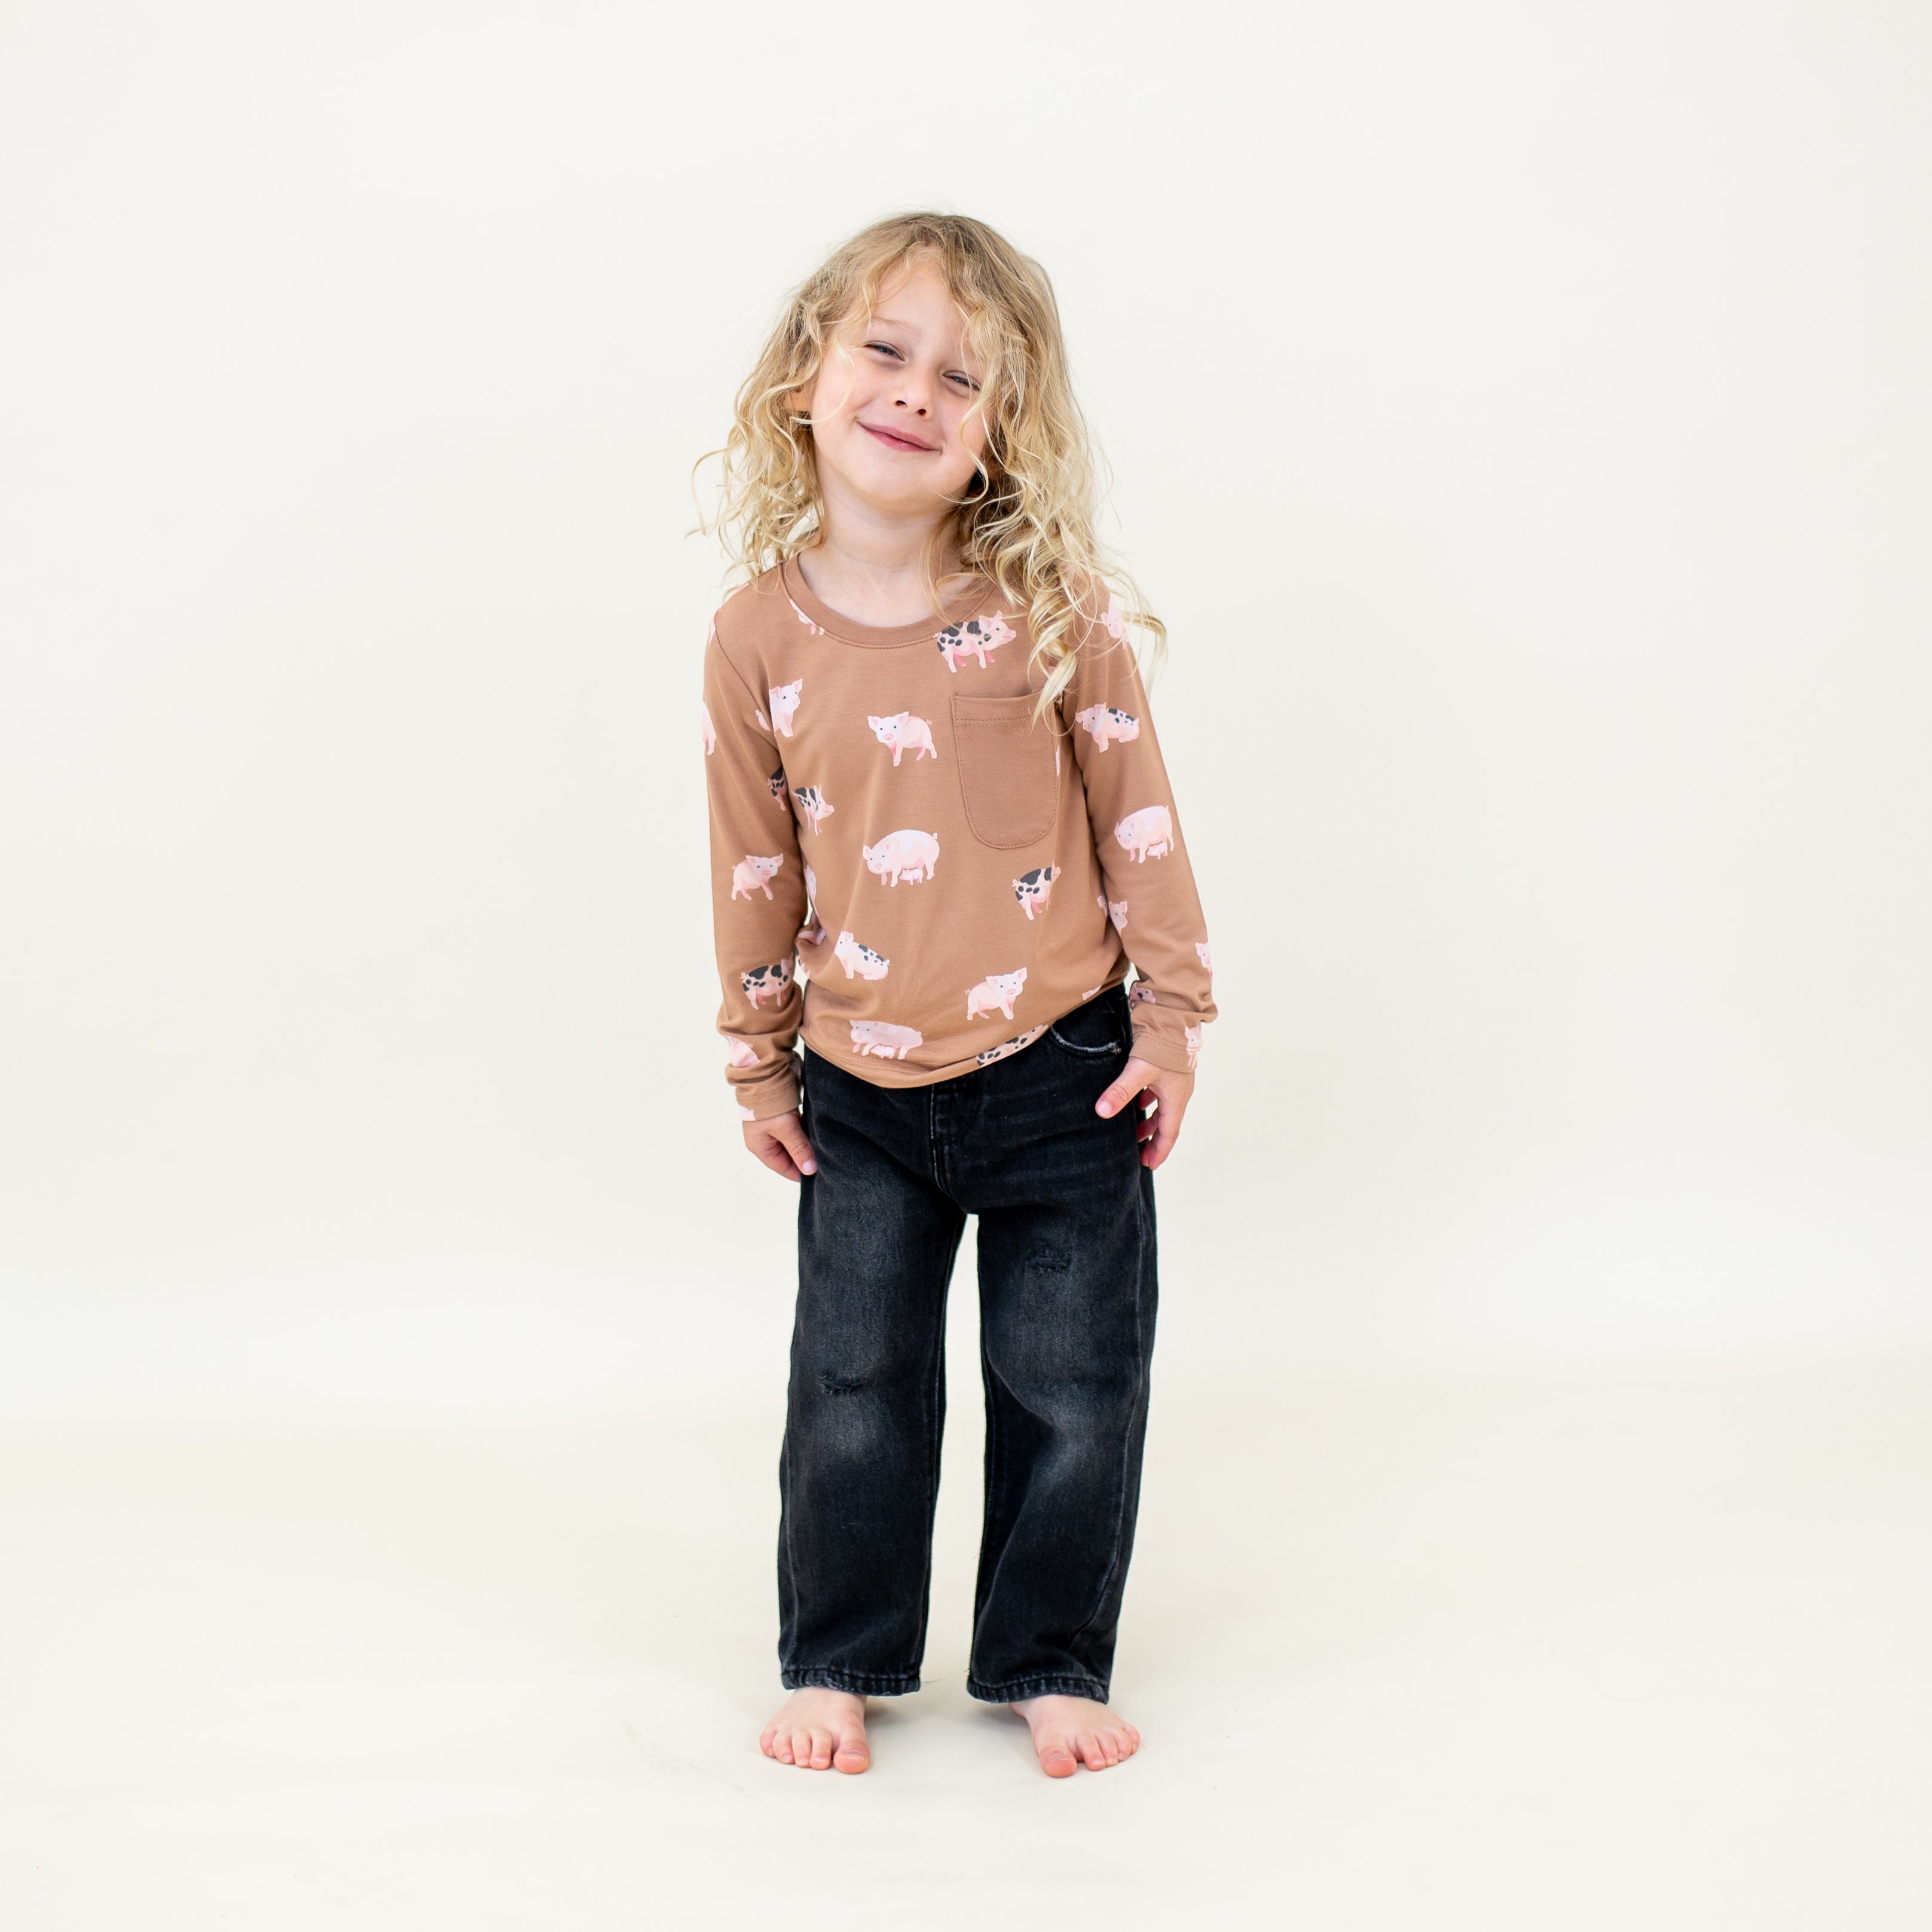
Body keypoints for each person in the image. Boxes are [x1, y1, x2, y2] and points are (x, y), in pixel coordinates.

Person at [696, 213, 1217, 1780]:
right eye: (886, 348)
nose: (918, 390)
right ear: (807, 377)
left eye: (965, 377)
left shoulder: (1048, 606)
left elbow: (1138, 810)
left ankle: (1047, 1656)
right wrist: (761, 1065)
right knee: (856, 1389)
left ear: (1000, 431)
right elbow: (751, 864)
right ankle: (841, 1658)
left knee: (1071, 1387)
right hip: (859, 1090)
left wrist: (1173, 1014)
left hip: (1064, 1068)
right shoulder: (755, 639)